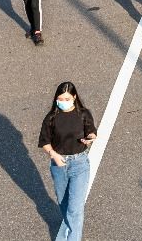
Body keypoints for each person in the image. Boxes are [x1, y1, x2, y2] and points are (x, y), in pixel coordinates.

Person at [38, 82, 97, 241]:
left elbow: (91, 132)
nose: (63, 101)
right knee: (64, 204)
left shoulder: (83, 114)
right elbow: (44, 141)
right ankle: (70, 226)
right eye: (60, 98)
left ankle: (72, 237)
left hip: (79, 164)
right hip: (59, 164)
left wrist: (90, 139)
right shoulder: (51, 117)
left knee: (75, 210)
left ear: (74, 97)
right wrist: (54, 155)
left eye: (67, 98)